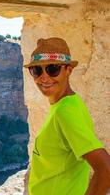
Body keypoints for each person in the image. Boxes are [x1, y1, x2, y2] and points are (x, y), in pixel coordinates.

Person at [24, 37, 110, 195]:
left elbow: (106, 169)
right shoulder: (67, 104)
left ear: (68, 70)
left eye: (52, 69)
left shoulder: (65, 112)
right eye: (36, 70)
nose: (43, 77)